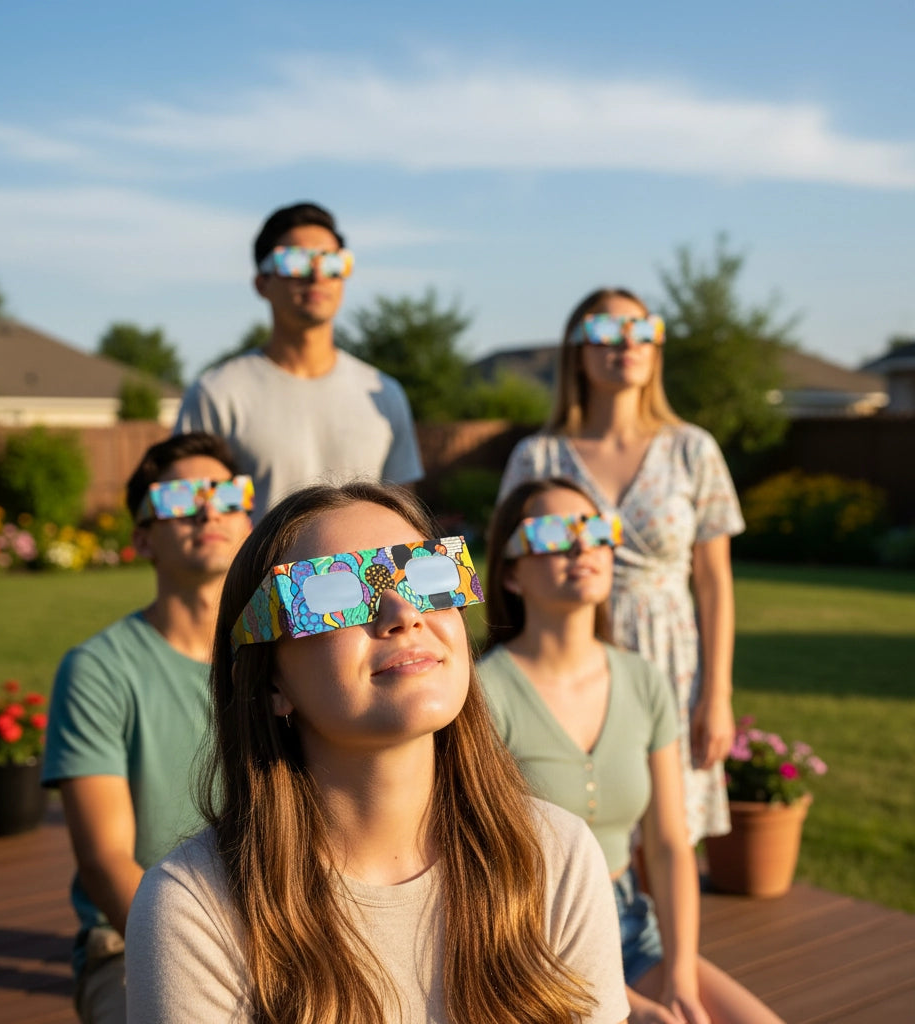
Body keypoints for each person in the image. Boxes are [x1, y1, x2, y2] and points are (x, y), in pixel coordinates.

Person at [125, 481, 630, 1024]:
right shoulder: (195, 907)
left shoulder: (555, 858)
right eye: (334, 592)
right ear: (271, 681)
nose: (401, 610)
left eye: (426, 572)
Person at [478, 478, 785, 1024]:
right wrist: (632, 1005)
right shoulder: (483, 694)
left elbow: (668, 845)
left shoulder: (644, 681)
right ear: (510, 573)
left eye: (597, 531)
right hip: (528, 939)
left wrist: (681, 977)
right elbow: (481, 875)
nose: (582, 548)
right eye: (553, 535)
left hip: (628, 925)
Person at [498, 288, 744, 844]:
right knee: (567, 832)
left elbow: (713, 581)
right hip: (564, 655)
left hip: (671, 657)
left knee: (667, 834)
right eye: (606, 333)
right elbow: (511, 563)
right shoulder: (538, 457)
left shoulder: (692, 450)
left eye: (641, 330)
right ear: (576, 351)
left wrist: (717, 694)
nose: (626, 344)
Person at [42, 432, 254, 1024]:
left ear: (249, 519)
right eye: (181, 500)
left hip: (286, 922)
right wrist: (216, 953)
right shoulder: (98, 670)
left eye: (226, 495)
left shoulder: (288, 658)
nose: (208, 510)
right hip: (138, 937)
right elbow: (107, 862)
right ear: (142, 537)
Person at [174, 201, 424, 517]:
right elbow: (194, 521)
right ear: (261, 283)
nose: (317, 274)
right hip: (259, 569)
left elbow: (403, 522)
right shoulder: (218, 396)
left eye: (332, 262)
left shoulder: (384, 396)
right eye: (296, 262)